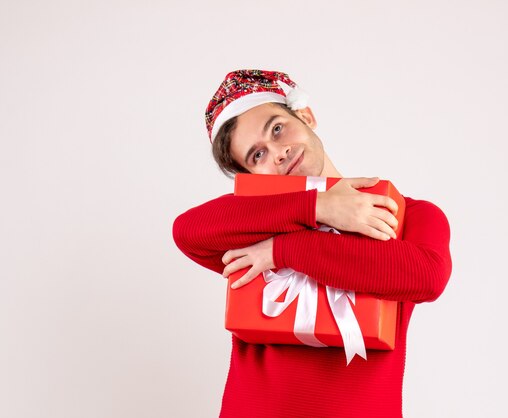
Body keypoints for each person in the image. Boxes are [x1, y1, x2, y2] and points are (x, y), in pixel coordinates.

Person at [172, 69, 452, 418]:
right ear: (251, 177)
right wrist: (318, 205)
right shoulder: (252, 226)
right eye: (256, 156)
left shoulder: (408, 214)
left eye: (277, 128)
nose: (277, 151)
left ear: (306, 116)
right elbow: (187, 231)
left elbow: (426, 276)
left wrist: (282, 251)